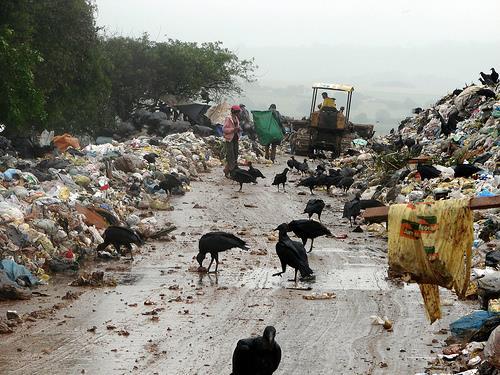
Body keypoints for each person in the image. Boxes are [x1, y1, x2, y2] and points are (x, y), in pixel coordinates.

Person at [223, 105, 241, 177]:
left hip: (235, 138)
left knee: (235, 154)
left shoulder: (236, 118)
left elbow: (237, 127)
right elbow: (224, 129)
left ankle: (227, 170)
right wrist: (233, 130)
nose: (238, 113)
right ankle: (231, 171)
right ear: (234, 111)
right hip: (229, 139)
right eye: (238, 112)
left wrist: (238, 129)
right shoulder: (228, 118)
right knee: (231, 155)